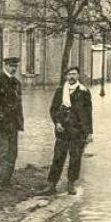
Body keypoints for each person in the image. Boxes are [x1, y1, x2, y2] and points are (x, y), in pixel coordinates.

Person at [41, 67, 93, 195]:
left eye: (74, 74)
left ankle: (71, 184)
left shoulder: (84, 92)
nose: (72, 77)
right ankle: (51, 184)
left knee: (75, 158)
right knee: (58, 157)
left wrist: (89, 132)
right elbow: (53, 109)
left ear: (78, 76)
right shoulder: (60, 91)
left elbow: (88, 113)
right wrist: (57, 122)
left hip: (78, 131)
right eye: (69, 74)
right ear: (66, 76)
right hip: (63, 130)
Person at [0, 56, 23, 188]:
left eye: (15, 66)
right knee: (1, 152)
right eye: (11, 66)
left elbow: (18, 104)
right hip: (1, 124)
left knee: (12, 153)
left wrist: (20, 121)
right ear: (5, 66)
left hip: (14, 123)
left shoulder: (17, 83)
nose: (13, 68)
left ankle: (7, 180)